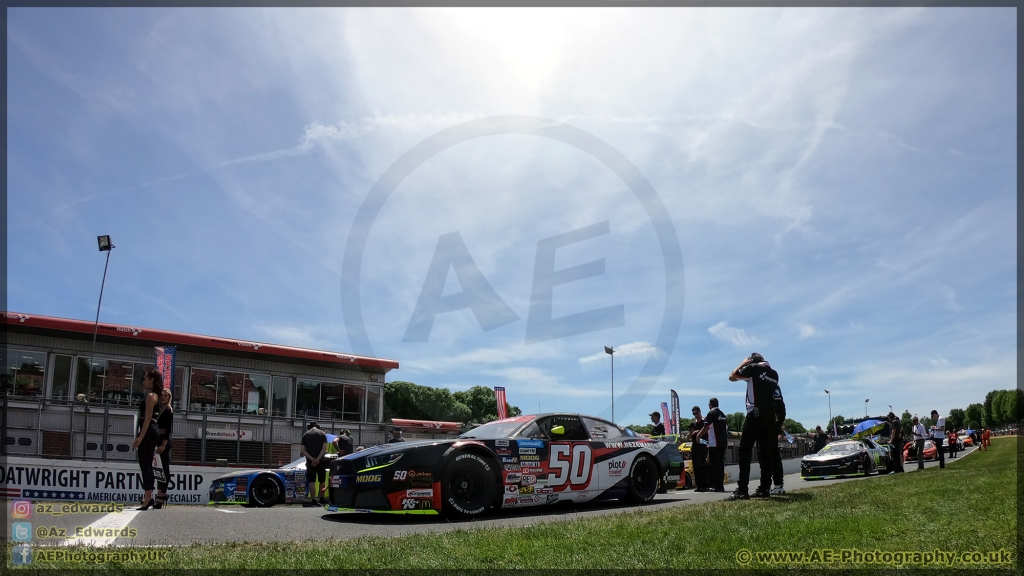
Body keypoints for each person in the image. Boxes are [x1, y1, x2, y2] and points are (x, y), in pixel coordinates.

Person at [726, 353, 779, 500]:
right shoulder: (774, 373)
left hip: (754, 414)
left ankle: (742, 489)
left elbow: (733, 376)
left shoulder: (753, 368)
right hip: (769, 416)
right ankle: (764, 488)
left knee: (744, 451)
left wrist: (743, 364)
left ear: (752, 361)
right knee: (765, 453)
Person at [131, 370, 162, 510]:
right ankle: (148, 496)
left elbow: (148, 419)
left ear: (152, 380)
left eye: (145, 379)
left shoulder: (151, 396)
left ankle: (148, 497)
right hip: (151, 430)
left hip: (149, 430)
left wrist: (139, 438)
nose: (143, 381)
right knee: (146, 464)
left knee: (145, 464)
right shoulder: (154, 395)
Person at [695, 397, 728, 492]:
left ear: (711, 405)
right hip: (723, 443)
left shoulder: (711, 413)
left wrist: (698, 435)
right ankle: (720, 485)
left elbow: (706, 427)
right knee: (721, 464)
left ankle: (717, 486)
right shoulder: (723, 414)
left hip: (715, 443)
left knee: (714, 465)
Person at [300, 422, 328, 506]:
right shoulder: (322, 434)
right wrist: (318, 459)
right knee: (322, 481)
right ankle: (322, 499)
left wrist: (312, 459)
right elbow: (324, 449)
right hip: (321, 461)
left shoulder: (305, 435)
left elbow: (303, 450)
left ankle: (313, 501)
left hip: (310, 462)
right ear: (317, 426)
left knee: (311, 481)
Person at [154, 388, 174, 509]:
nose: (163, 397)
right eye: (162, 395)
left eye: (166, 396)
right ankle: (158, 494)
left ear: (169, 397)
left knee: (164, 469)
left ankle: (162, 495)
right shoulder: (158, 409)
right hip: (157, 440)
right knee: (157, 469)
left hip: (164, 442)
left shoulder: (168, 410)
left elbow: (168, 429)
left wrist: (163, 445)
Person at [688, 406, 710, 492]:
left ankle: (705, 485)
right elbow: (689, 437)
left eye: (696, 413)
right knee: (695, 465)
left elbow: (707, 429)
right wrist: (690, 432)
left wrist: (698, 432)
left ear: (700, 412)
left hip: (703, 444)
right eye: (693, 414)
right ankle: (699, 485)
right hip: (695, 445)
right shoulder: (693, 424)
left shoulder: (704, 422)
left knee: (701, 464)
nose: (695, 415)